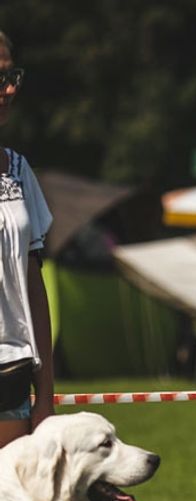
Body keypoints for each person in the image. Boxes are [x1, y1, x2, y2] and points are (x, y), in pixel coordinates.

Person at [0, 29, 54, 449]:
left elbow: (33, 284)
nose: (11, 88)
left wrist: (46, 393)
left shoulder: (19, 171)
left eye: (12, 74)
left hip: (10, 371)